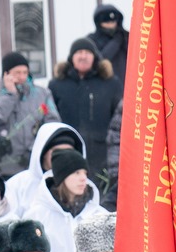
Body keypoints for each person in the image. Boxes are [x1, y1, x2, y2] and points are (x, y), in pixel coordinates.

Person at [49, 39, 124, 185]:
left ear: (95, 57)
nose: (83, 56)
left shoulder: (111, 83)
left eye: (88, 53)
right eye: (79, 52)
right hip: (69, 152)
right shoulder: (57, 84)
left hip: (103, 155)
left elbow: (121, 117)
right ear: (71, 58)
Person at [0, 52, 61, 178]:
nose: (22, 77)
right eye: (17, 73)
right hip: (5, 166)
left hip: (34, 162)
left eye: (25, 72)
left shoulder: (42, 94)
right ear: (6, 73)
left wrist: (35, 149)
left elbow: (53, 123)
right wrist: (10, 95)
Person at [5, 122, 85, 214]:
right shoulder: (18, 185)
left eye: (69, 152)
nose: (64, 157)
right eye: (57, 152)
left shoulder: (80, 185)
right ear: (43, 153)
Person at [88, 4, 129, 80]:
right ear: (99, 22)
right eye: (106, 21)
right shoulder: (92, 40)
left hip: (130, 82)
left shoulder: (126, 36)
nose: (110, 24)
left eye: (113, 21)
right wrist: (116, 42)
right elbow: (100, 60)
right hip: (105, 84)